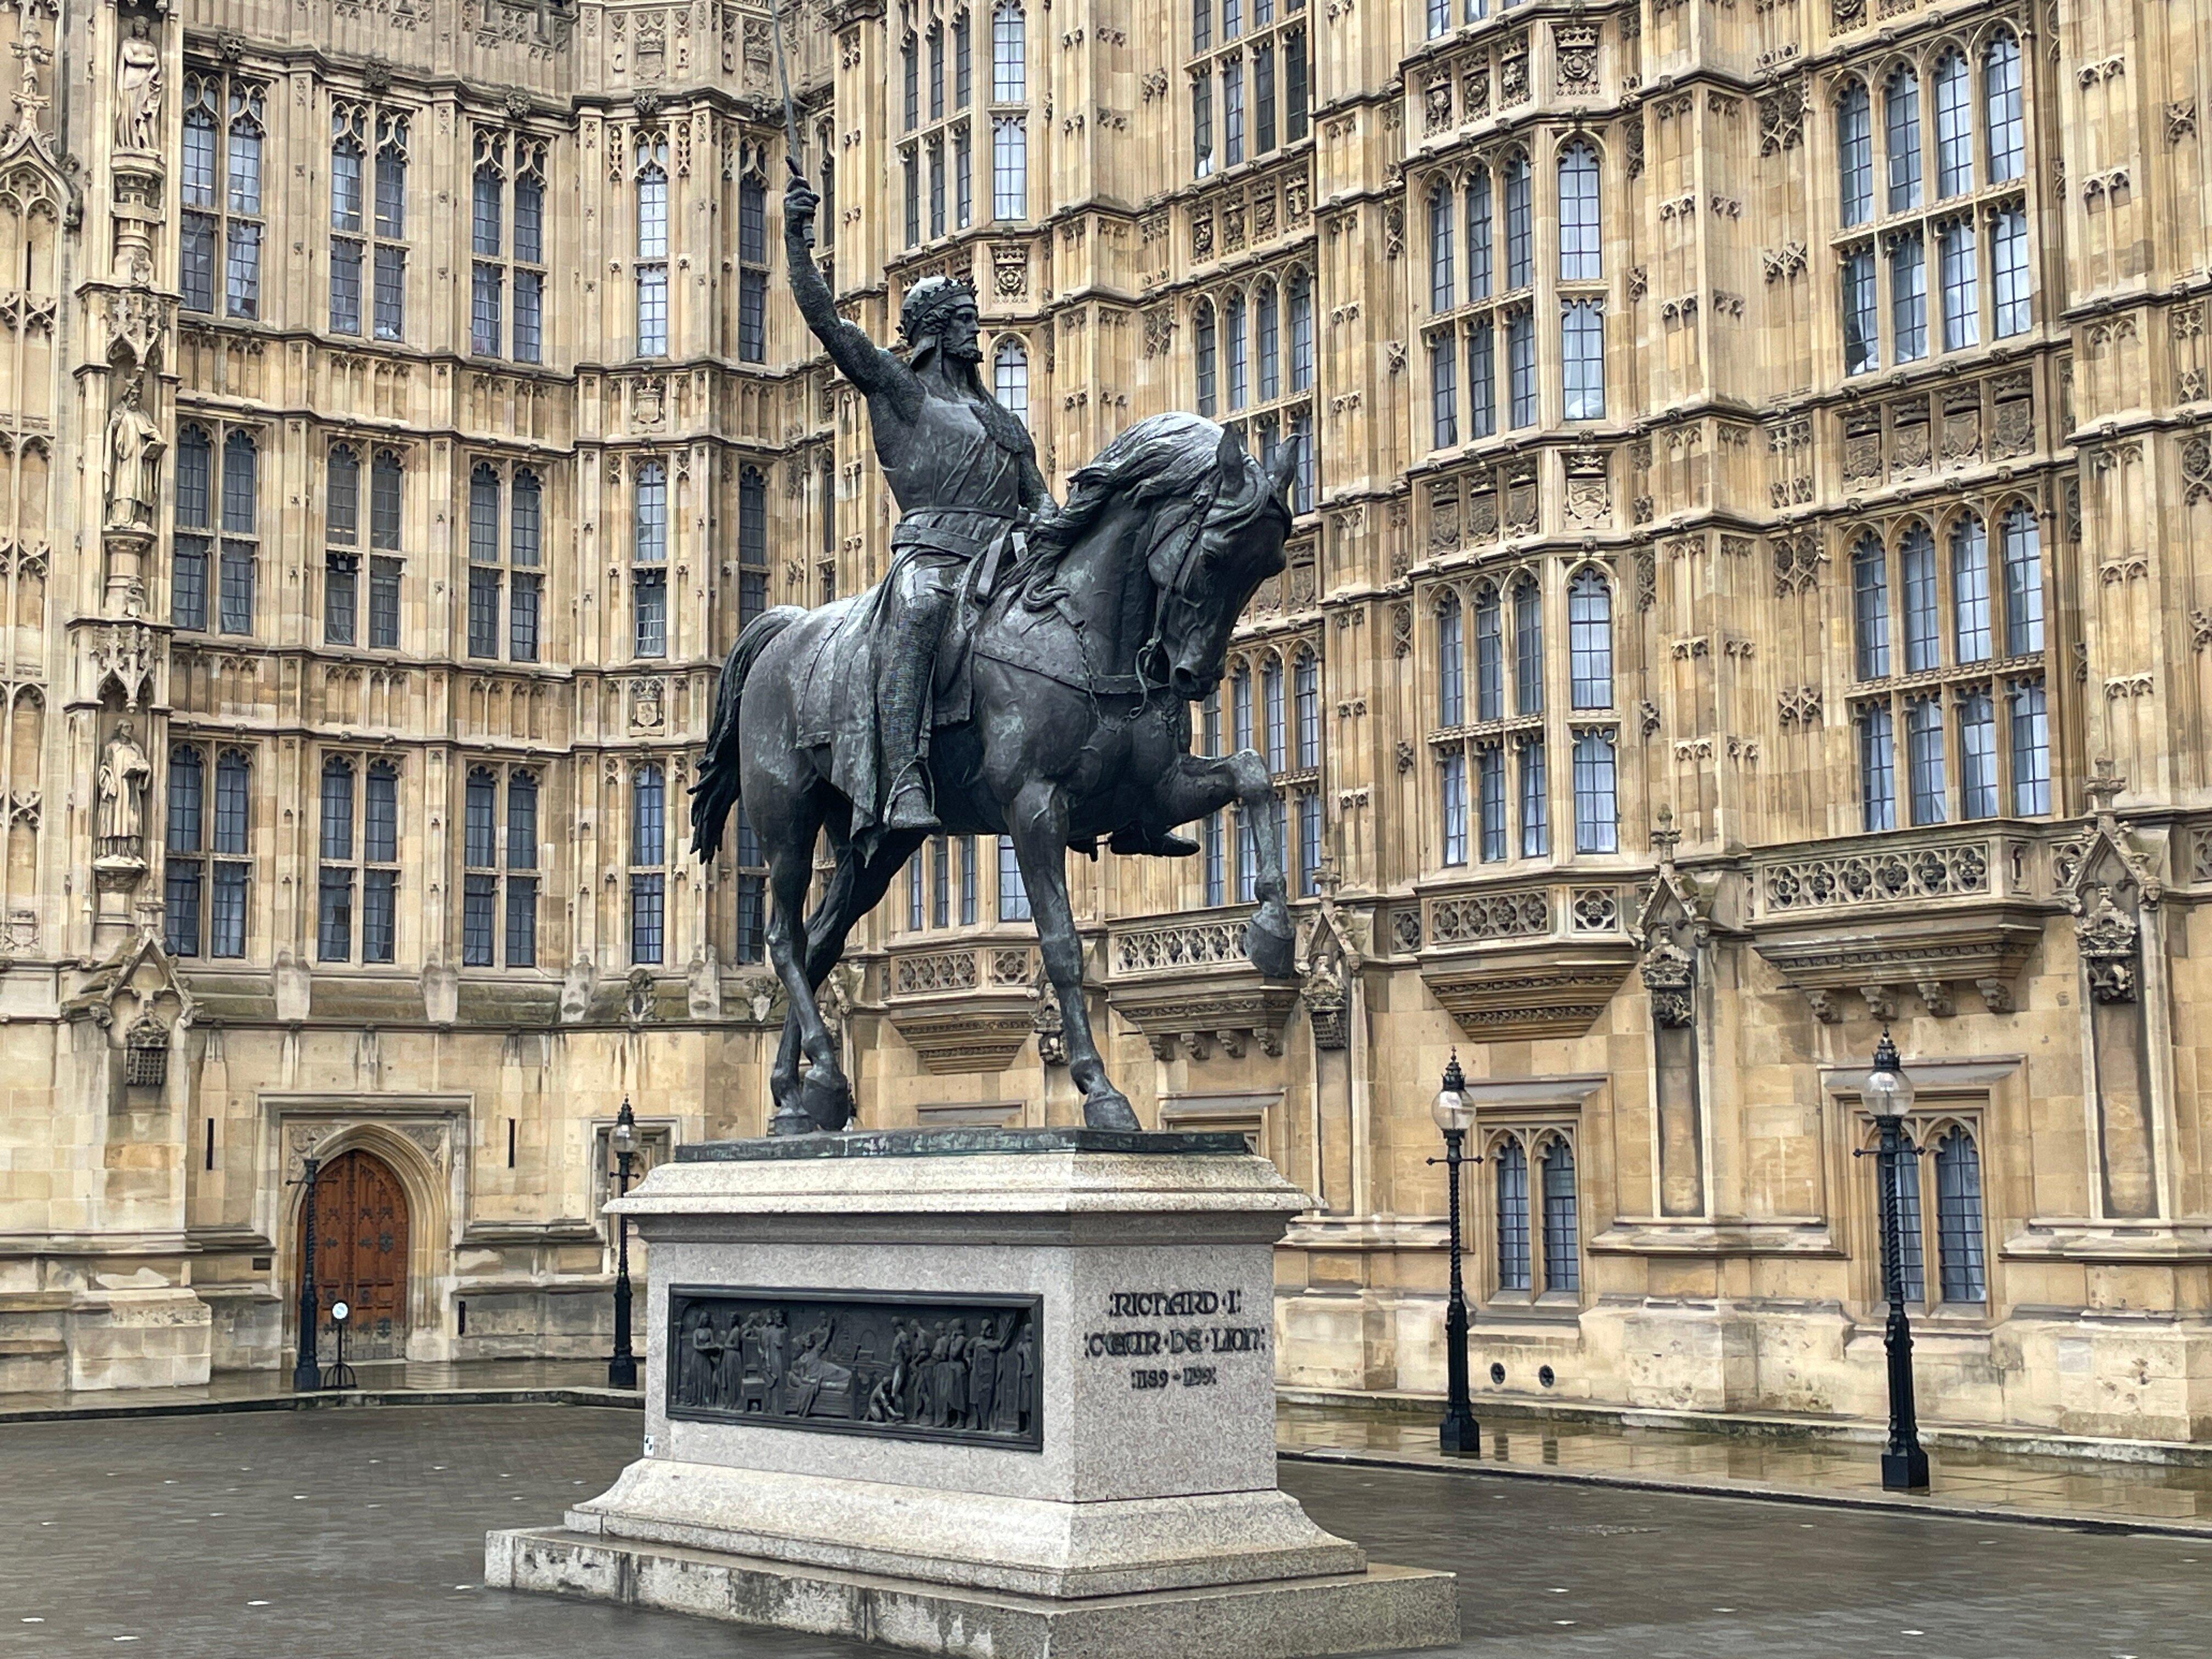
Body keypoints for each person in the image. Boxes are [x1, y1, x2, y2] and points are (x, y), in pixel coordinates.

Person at [782, 174, 1049, 840]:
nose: (974, 330)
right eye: (963, 320)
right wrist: (796, 239)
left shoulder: (1000, 420)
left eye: (974, 319)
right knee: (924, 604)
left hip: (1003, 566)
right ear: (933, 329)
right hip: (932, 559)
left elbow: (1042, 503)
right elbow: (826, 322)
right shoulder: (901, 391)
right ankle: (902, 773)